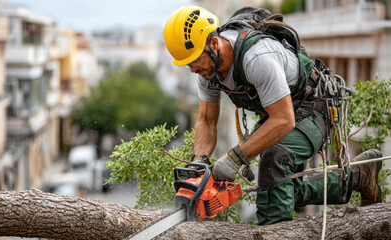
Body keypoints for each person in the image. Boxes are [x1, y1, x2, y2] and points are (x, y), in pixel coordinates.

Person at [164, 6, 383, 225]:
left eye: (194, 62)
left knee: (274, 159)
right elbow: (207, 120)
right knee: (281, 191)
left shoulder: (256, 58)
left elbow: (283, 120)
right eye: (187, 64)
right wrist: (199, 162)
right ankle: (359, 175)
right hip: (279, 111)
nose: (192, 70)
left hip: (312, 108)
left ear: (213, 44)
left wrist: (235, 158)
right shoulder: (208, 71)